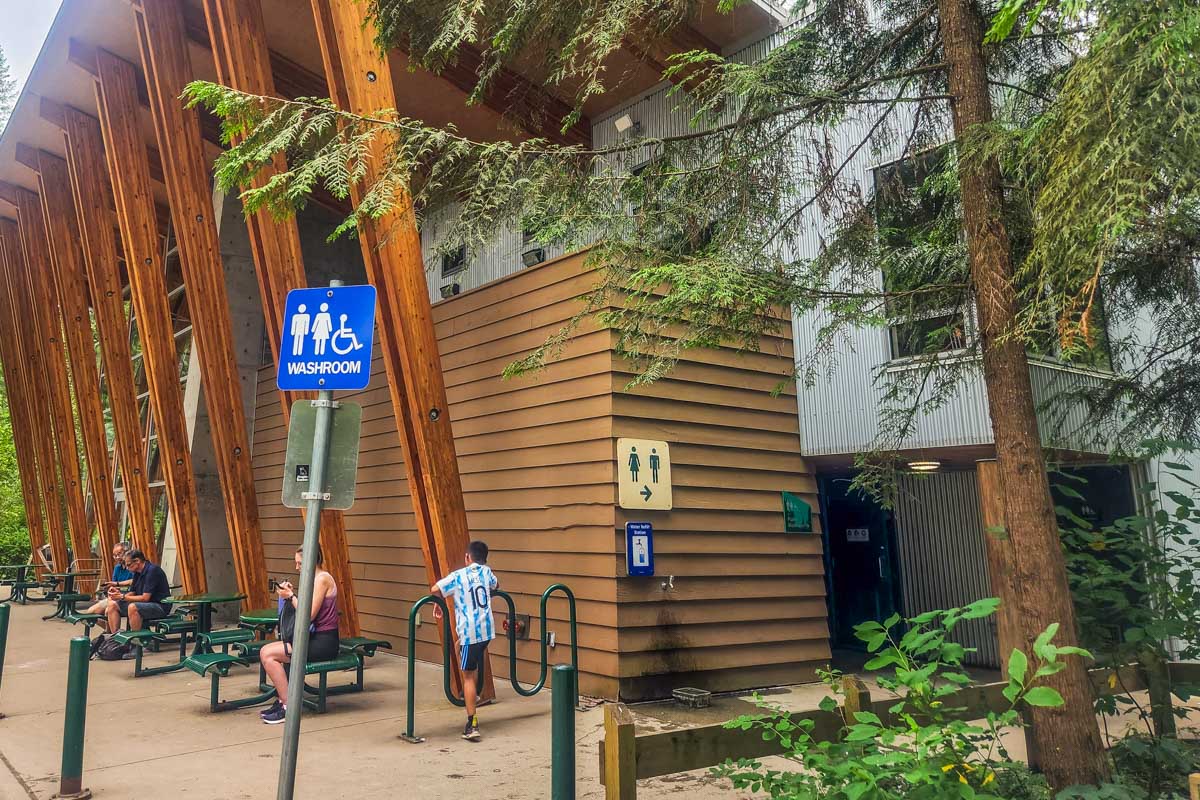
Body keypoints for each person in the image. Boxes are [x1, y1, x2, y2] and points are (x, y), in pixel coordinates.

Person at [258, 544, 339, 725]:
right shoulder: (313, 578)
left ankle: (289, 706)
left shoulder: (322, 579)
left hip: (324, 642)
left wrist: (290, 597)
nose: (297, 567)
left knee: (269, 655)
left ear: (311, 560)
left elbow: (308, 615)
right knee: (265, 651)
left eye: (300, 563)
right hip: (313, 638)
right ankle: (283, 701)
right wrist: (291, 594)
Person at [431, 540, 499, 741]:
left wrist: (439, 601)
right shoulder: (487, 572)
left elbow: (435, 588)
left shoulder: (458, 576)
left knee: (467, 675)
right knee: (461, 649)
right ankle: (472, 693)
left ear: (468, 557)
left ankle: (472, 723)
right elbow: (496, 585)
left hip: (470, 632)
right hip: (486, 630)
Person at [103, 549, 170, 634]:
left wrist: (123, 597)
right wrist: (118, 595)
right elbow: (133, 592)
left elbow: (145, 598)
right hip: (144, 604)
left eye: (128, 565)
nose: (127, 568)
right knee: (112, 604)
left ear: (137, 561)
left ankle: (137, 638)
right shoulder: (137, 573)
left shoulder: (152, 571)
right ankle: (115, 636)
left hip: (160, 606)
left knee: (133, 607)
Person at [85, 542, 134, 629]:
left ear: (127, 552)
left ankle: (113, 632)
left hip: (128, 597)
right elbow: (114, 584)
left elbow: (135, 582)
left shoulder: (133, 567)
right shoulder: (117, 568)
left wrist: (118, 585)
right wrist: (111, 589)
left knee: (108, 610)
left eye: (119, 554)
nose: (117, 557)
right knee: (90, 613)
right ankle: (110, 631)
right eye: (115, 555)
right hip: (115, 596)